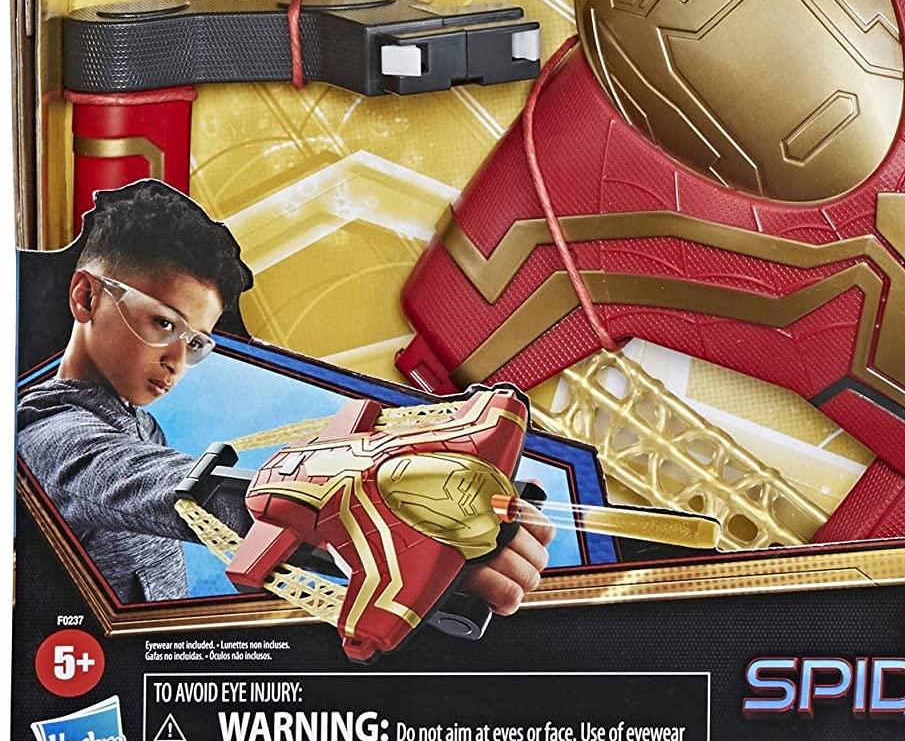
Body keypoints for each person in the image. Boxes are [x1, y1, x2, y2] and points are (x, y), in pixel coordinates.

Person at [18, 181, 553, 614]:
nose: (177, 360)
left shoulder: (138, 423)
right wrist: (371, 517)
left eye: (196, 343)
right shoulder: (46, 436)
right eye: (163, 323)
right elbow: (154, 483)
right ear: (86, 296)